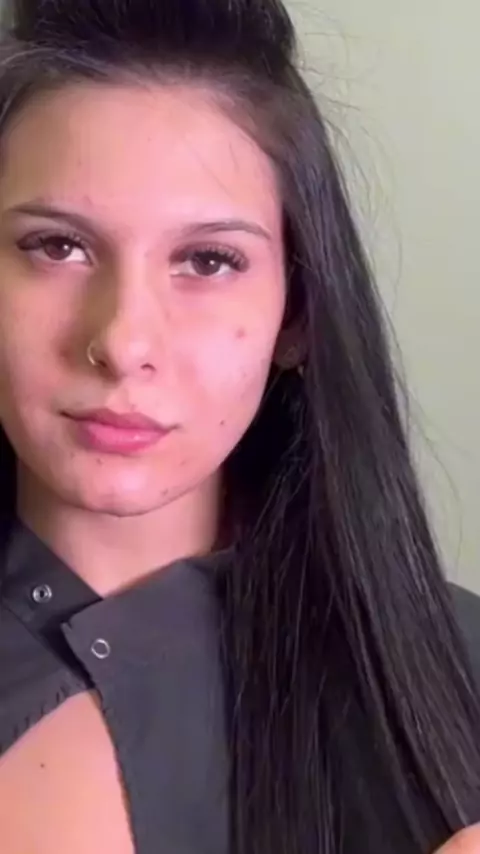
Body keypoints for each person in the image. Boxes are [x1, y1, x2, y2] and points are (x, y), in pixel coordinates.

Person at [0, 0, 479, 852]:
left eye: (208, 260)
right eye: (57, 247)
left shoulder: (455, 673)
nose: (123, 342)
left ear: (296, 315)